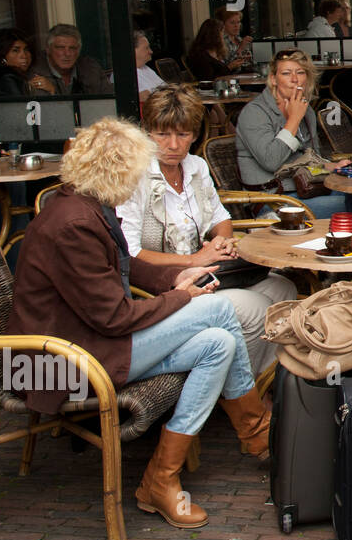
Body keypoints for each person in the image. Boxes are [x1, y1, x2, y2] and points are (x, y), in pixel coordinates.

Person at [5, 118, 269, 529]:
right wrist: (180, 296)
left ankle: (160, 479)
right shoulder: (74, 222)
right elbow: (114, 317)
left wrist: (173, 279)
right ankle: (257, 433)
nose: (142, 180)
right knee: (217, 312)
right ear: (117, 172)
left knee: (219, 342)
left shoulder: (85, 205)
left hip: (88, 341)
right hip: (61, 363)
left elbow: (126, 269)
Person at [118, 85, 294, 375]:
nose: (173, 145)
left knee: (284, 288)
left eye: (183, 134)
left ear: (195, 134)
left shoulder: (196, 166)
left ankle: (260, 379)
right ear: (147, 132)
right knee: (259, 308)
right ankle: (238, 393)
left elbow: (221, 218)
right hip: (162, 289)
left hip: (208, 274)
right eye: (163, 134)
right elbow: (129, 254)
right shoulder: (135, 177)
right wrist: (193, 260)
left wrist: (222, 242)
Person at [234, 49, 352, 218]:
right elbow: (271, 161)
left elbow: (308, 161)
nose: (295, 79)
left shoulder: (306, 110)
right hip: (272, 201)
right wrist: (293, 120)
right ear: (273, 79)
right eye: (286, 73)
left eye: (300, 72)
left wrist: (328, 166)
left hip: (307, 190)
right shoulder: (254, 113)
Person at [29, 24, 112, 95]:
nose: (67, 54)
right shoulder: (36, 71)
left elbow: (109, 101)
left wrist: (54, 92)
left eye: (72, 48)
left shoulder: (91, 69)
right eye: (60, 48)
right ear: (48, 49)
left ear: (78, 51)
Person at [0, 28, 56, 95]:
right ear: (2, 55)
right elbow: (23, 107)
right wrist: (52, 91)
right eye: (15, 50)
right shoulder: (7, 79)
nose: (24, 56)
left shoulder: (15, 77)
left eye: (26, 49)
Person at [134, 31, 165, 98]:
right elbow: (145, 96)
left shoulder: (145, 68)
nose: (151, 51)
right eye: (147, 48)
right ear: (134, 51)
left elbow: (165, 87)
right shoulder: (125, 75)